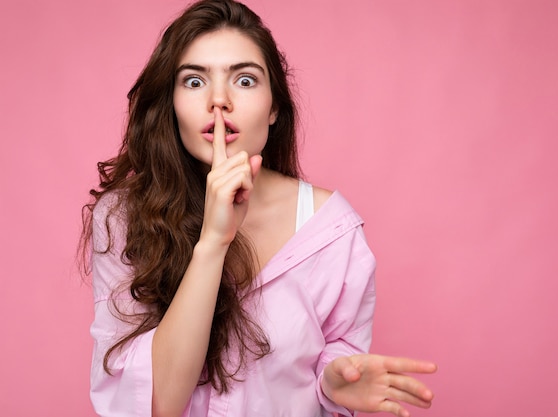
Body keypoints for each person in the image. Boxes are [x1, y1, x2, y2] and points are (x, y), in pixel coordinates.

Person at [82, 1, 437, 416]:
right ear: (170, 103)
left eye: (245, 80)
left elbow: (333, 353)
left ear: (274, 109)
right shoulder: (123, 218)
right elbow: (156, 403)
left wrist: (333, 381)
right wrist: (213, 243)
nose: (219, 100)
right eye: (194, 82)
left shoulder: (331, 229)